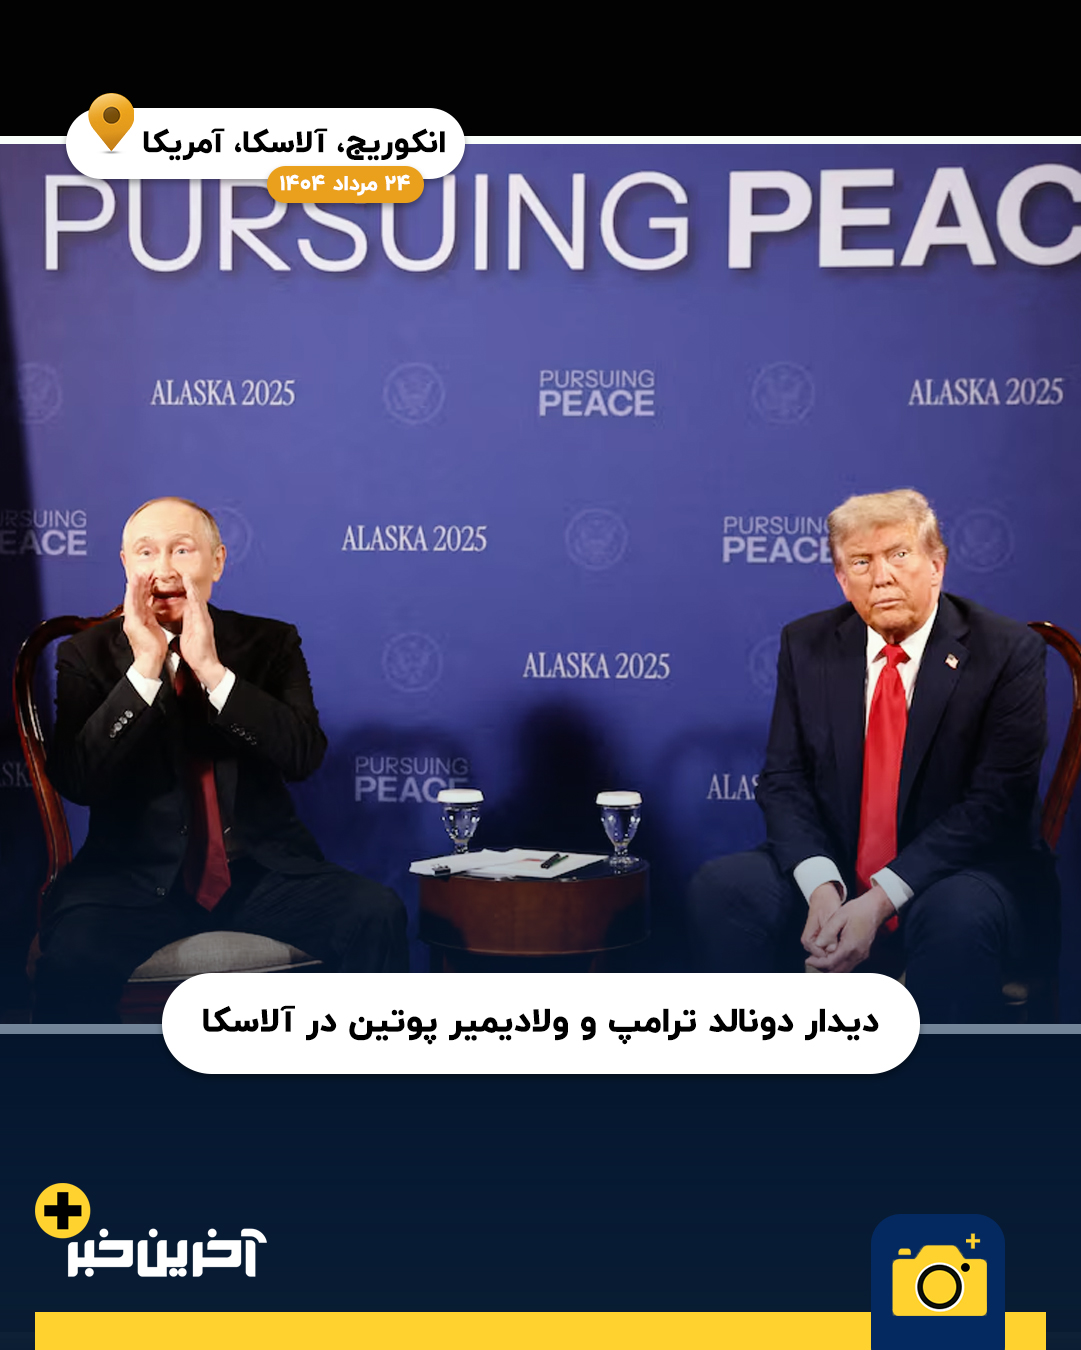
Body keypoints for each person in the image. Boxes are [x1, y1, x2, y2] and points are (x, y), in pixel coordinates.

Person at [688, 489, 1057, 1022]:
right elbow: (784, 779)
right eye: (861, 562)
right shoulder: (807, 643)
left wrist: (880, 898)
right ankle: (757, 1058)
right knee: (725, 887)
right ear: (842, 579)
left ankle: (938, 1075)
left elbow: (996, 804)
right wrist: (822, 889)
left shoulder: (1006, 650)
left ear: (937, 566)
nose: (881, 576)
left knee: (955, 915)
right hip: (840, 867)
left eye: (899, 555)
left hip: (964, 872)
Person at [35, 497, 408, 1021]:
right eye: (146, 552)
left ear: (217, 562)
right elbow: (78, 780)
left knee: (376, 912)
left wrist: (212, 671)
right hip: (131, 883)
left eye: (182, 550)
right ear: (126, 565)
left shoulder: (270, 642)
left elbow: (303, 757)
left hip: (260, 874)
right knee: (73, 954)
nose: (164, 570)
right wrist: (145, 670)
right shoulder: (86, 654)